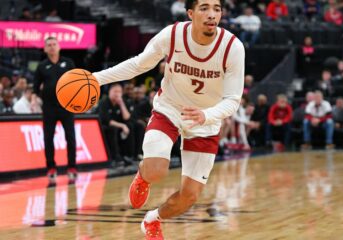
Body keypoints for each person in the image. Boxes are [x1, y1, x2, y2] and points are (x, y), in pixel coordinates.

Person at [92, 0, 245, 239]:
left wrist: (206, 115)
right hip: (171, 108)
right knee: (156, 170)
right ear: (191, 13)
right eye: (204, 8)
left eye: (216, 8)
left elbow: (233, 99)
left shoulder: (232, 47)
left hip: (206, 120)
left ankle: (153, 220)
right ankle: (143, 177)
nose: (212, 14)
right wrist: (96, 78)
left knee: (190, 197)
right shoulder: (172, 35)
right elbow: (138, 65)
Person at [32, 37, 77, 182]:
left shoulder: (68, 63)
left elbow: (77, 83)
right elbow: (35, 88)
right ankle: (51, 167)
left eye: (54, 44)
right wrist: (33, 100)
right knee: (48, 138)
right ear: (45, 49)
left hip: (66, 106)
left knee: (70, 137)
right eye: (49, 45)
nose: (51, 47)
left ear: (59, 46)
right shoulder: (41, 66)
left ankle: (72, 167)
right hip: (49, 107)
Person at [98, 84, 135, 167]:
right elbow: (106, 121)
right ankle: (115, 157)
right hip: (104, 126)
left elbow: (127, 118)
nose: (117, 94)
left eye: (119, 92)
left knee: (130, 125)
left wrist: (121, 104)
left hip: (117, 126)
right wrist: (122, 126)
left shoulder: (122, 102)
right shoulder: (104, 102)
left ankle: (128, 155)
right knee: (113, 129)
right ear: (109, 92)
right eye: (115, 91)